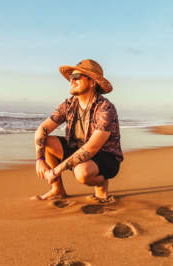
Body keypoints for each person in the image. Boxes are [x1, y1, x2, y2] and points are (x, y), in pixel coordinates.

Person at [33, 59, 123, 203]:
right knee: (46, 142)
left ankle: (101, 182)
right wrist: (40, 159)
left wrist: (55, 171)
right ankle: (58, 190)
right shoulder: (68, 105)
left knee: (81, 173)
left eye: (77, 77)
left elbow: (91, 148)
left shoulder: (105, 109)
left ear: (93, 82)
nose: (71, 81)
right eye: (70, 78)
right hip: (77, 148)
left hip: (105, 156)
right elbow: (41, 130)